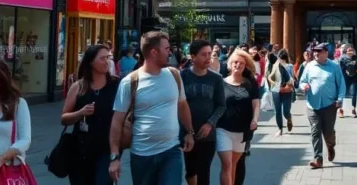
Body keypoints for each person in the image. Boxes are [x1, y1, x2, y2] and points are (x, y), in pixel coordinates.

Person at [109, 31, 195, 185]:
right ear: (154, 52)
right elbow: (117, 121)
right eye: (167, 49)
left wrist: (189, 132)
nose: (170, 52)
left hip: (171, 150)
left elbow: (182, 105)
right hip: (142, 155)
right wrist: (115, 157)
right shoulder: (130, 82)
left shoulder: (174, 75)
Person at [60, 44, 120, 185]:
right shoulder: (79, 87)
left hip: (106, 148)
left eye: (108, 57)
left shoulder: (116, 85)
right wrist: (80, 113)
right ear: (91, 62)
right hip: (80, 149)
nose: (107, 61)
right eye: (102, 58)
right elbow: (64, 119)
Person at [180, 40, 227, 185]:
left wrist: (210, 124)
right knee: (191, 171)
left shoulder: (216, 79)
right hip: (186, 133)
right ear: (193, 57)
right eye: (203, 54)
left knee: (203, 172)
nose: (208, 58)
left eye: (209, 54)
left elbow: (221, 106)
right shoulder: (182, 76)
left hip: (208, 135)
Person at [216, 49, 260, 185]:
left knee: (234, 165)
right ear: (230, 64)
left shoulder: (250, 83)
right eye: (235, 62)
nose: (237, 65)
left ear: (245, 66)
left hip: (242, 131)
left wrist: (255, 119)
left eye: (241, 63)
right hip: (223, 129)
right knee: (227, 164)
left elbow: (256, 103)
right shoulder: (220, 82)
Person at [300, 43, 346, 169]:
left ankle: (330, 146)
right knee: (315, 131)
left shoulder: (334, 66)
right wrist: (303, 86)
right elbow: (302, 81)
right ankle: (318, 159)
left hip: (329, 105)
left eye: (319, 51)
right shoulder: (309, 66)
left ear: (326, 53)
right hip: (312, 105)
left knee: (328, 132)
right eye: (314, 51)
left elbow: (341, 84)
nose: (316, 53)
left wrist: (340, 99)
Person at [266, 52, 294, 135]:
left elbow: (292, 79)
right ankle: (280, 128)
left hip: (286, 91)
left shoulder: (288, 67)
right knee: (277, 111)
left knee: (286, 111)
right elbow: (268, 77)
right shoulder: (271, 66)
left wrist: (288, 86)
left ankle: (289, 118)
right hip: (275, 91)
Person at [338, 45, 357, 118]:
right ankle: (340, 109)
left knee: (354, 94)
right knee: (341, 94)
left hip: (354, 79)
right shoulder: (342, 59)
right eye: (349, 50)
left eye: (352, 50)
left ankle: (353, 109)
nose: (350, 52)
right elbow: (339, 70)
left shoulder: (356, 59)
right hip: (344, 79)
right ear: (346, 51)